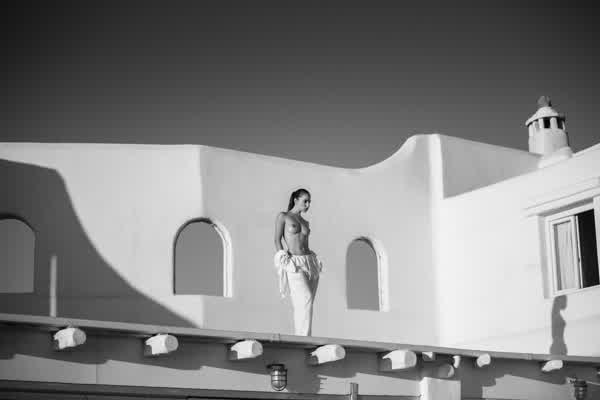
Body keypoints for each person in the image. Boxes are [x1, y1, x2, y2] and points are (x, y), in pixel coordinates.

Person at [273, 188, 322, 336]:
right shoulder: (283, 216)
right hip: (294, 262)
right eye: (305, 201)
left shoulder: (305, 222)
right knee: (305, 298)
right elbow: (277, 239)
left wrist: (314, 259)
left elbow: (305, 243)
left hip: (310, 262)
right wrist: (283, 256)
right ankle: (304, 338)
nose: (307, 205)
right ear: (296, 199)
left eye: (309, 202)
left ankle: (302, 335)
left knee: (306, 303)